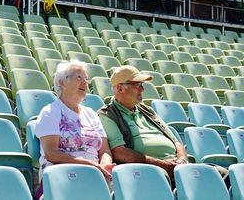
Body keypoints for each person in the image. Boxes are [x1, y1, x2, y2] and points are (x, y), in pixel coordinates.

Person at [98, 65, 228, 185]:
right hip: (149, 171)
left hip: (176, 167)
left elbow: (176, 141)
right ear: (120, 88)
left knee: (223, 174)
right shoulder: (107, 114)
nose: (142, 89)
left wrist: (182, 160)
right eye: (137, 85)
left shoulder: (147, 111)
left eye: (142, 84)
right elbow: (121, 153)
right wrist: (166, 166)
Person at [35, 60, 115, 197]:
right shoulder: (50, 112)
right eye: (79, 77)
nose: (85, 82)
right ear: (62, 82)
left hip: (96, 173)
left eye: (86, 79)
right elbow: (51, 153)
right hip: (63, 173)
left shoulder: (91, 113)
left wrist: (105, 166)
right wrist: (91, 165)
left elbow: (105, 149)